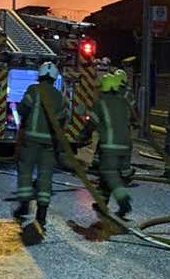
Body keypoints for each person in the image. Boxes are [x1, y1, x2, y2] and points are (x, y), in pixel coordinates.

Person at [13, 61, 67, 243]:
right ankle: (41, 216)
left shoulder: (33, 90)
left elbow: (22, 109)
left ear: (40, 75)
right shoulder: (60, 97)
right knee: (45, 177)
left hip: (30, 141)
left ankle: (24, 207)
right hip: (49, 144)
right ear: (54, 78)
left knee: (26, 172)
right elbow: (62, 122)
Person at [75, 72, 134, 218]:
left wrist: (81, 138)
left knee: (109, 172)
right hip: (125, 145)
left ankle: (123, 201)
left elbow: (91, 124)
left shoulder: (101, 103)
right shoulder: (123, 101)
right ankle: (102, 203)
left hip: (110, 146)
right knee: (105, 174)